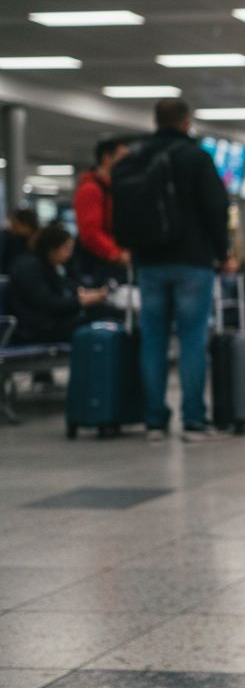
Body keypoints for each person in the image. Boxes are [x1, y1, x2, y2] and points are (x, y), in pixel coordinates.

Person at [133, 98, 230, 443]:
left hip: (148, 261)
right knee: (191, 339)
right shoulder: (196, 157)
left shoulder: (136, 157)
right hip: (192, 259)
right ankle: (193, 421)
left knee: (153, 339)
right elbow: (217, 207)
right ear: (187, 122)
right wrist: (223, 252)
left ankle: (154, 421)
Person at [4, 225, 108, 344]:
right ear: (52, 249)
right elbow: (46, 302)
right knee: (100, 317)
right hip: (35, 328)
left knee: (101, 313)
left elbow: (69, 287)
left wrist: (87, 294)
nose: (70, 254)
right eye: (66, 248)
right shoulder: (29, 269)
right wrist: (80, 301)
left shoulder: (50, 267)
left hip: (51, 322)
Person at [73, 137, 132, 286]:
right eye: (123, 156)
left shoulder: (115, 188)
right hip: (99, 265)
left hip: (115, 262)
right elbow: (90, 233)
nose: (128, 162)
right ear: (107, 158)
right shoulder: (91, 189)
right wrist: (116, 254)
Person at [1, 208, 39, 276]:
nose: (12, 227)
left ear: (26, 225)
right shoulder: (14, 239)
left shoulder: (40, 241)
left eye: (15, 225)